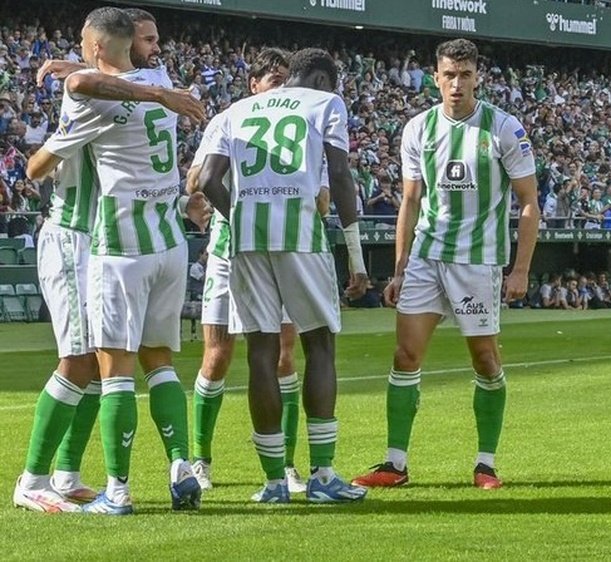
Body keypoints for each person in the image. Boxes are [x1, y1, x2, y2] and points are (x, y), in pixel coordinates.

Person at [13, 12, 203, 515]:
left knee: (99, 366)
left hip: (105, 240)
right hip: (80, 236)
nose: (156, 48)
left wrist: (76, 70)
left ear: (97, 48)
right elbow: (95, 74)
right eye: (148, 39)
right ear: (127, 47)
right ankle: (35, 478)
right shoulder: (151, 85)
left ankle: (65, 474)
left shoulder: (100, 94)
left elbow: (86, 79)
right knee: (84, 361)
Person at [352, 38, 540, 490]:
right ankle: (395, 464)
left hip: (478, 262)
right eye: (449, 75)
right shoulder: (418, 128)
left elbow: (529, 201)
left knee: (485, 360)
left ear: (478, 77)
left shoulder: (504, 129)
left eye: (465, 75)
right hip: (426, 258)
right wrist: (398, 268)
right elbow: (411, 201)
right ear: (435, 77)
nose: (456, 84)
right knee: (405, 355)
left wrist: (521, 269)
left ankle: (486, 464)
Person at [199, 48, 368, 505]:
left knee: (260, 351)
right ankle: (323, 476)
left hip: (246, 238)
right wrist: (356, 257)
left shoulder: (235, 110)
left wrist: (240, 215)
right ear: (318, 77)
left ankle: (274, 483)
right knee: (319, 343)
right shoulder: (325, 104)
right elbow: (338, 171)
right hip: (300, 234)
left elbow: (208, 180)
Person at [184, 48, 311, 494]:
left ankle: (288, 464)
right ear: (253, 84)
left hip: (280, 246)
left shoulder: (303, 121)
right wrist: (203, 187)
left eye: (285, 78)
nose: (278, 84)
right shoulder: (228, 119)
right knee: (218, 356)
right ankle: (200, 460)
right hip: (228, 248)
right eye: (271, 78)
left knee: (283, 356)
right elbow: (194, 179)